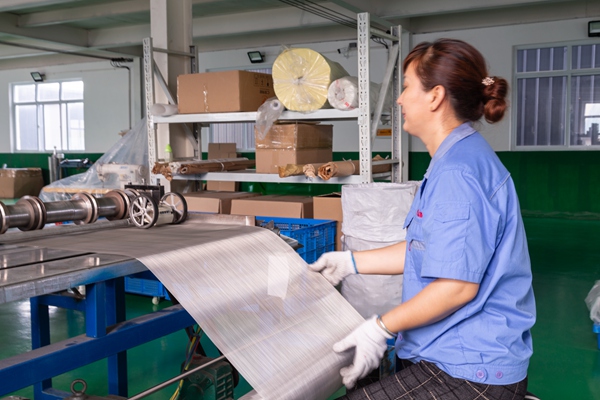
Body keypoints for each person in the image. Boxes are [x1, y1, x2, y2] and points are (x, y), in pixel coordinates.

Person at [309, 38, 536, 400]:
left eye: (406, 87)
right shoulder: (456, 157)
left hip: (469, 370)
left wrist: (380, 327)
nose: (399, 100)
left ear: (435, 97)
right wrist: (349, 262)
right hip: (453, 352)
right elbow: (425, 249)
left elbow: (456, 287)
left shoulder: (458, 173)